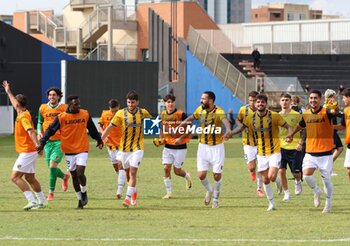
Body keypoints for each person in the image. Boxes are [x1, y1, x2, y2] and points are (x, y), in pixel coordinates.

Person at [37, 95, 103, 209]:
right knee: (73, 175)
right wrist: (42, 143)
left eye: (79, 104)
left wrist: (99, 139)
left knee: (80, 173)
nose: (78, 106)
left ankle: (84, 192)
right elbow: (50, 131)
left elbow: (92, 128)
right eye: (75, 104)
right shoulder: (62, 117)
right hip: (68, 150)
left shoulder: (85, 114)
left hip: (82, 148)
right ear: (69, 105)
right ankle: (79, 200)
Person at [232, 94, 292, 211]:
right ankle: (271, 203)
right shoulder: (250, 118)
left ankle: (277, 181)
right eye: (258, 102)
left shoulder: (274, 116)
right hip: (261, 153)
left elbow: (288, 126)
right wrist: (230, 133)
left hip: (274, 151)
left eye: (262, 102)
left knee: (271, 176)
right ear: (255, 104)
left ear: (266, 104)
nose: (260, 104)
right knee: (265, 179)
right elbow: (241, 128)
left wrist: (290, 134)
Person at [178, 91, 231, 209]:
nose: (201, 100)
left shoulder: (219, 111)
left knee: (217, 175)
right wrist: (181, 124)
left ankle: (216, 200)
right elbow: (192, 117)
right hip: (203, 147)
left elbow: (225, 121)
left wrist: (228, 130)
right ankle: (209, 190)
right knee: (201, 175)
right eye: (201, 98)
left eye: (203, 99)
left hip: (217, 147)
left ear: (211, 100)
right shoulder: (200, 109)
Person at [287, 90, 335, 213]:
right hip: (310, 151)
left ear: (320, 100)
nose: (313, 100)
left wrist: (334, 109)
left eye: (315, 98)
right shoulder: (306, 113)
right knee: (307, 175)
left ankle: (328, 203)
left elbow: (335, 114)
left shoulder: (327, 112)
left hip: (326, 153)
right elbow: (300, 125)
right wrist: (291, 134)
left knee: (327, 180)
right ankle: (316, 191)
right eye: (311, 98)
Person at [101, 90, 152, 208]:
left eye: (133, 102)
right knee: (127, 173)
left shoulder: (143, 112)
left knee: (133, 172)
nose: (130, 105)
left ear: (137, 102)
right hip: (123, 148)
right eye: (129, 102)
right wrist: (101, 139)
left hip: (138, 147)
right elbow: (109, 127)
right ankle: (133, 193)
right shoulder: (120, 113)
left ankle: (127, 199)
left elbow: (154, 123)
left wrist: (159, 137)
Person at [2, 80, 47, 210]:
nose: (14, 104)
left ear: (18, 105)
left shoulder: (23, 117)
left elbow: (30, 131)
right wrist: (8, 91)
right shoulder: (22, 112)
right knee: (30, 178)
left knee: (15, 177)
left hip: (27, 151)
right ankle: (42, 201)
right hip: (29, 150)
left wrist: (38, 146)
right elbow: (14, 102)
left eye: (15, 103)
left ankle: (31, 201)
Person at [155, 94, 192, 199]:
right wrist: (161, 139)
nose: (170, 104)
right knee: (166, 168)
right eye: (168, 102)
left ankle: (187, 176)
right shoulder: (162, 114)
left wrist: (180, 138)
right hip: (167, 147)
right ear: (164, 103)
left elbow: (190, 129)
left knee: (177, 171)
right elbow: (162, 128)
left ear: (174, 103)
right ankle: (169, 193)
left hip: (180, 147)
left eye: (172, 102)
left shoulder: (181, 114)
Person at [37, 87, 70, 201]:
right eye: (50, 95)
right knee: (51, 168)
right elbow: (40, 122)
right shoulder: (43, 107)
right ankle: (65, 177)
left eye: (54, 95)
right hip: (47, 142)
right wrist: (39, 132)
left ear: (58, 96)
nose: (52, 97)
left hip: (59, 141)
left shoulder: (64, 108)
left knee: (52, 166)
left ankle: (51, 192)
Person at [235, 91, 264, 197]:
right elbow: (237, 120)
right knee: (252, 167)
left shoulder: (263, 110)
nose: (252, 103)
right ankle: (252, 171)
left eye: (254, 100)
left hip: (261, 142)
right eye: (250, 100)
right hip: (248, 143)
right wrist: (243, 127)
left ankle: (259, 188)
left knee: (261, 166)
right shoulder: (243, 109)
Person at [98, 99, 126, 199]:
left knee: (120, 165)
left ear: (119, 107)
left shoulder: (123, 114)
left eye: (116, 110)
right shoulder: (105, 114)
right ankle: (123, 178)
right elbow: (100, 126)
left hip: (122, 144)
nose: (114, 113)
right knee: (116, 167)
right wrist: (103, 135)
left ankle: (119, 190)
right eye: (112, 111)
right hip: (110, 145)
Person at [278, 93, 303, 201]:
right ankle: (286, 193)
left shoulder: (296, 115)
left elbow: (304, 131)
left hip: (294, 147)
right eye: (283, 100)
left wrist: (300, 143)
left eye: (287, 100)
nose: (284, 102)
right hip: (281, 148)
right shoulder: (276, 116)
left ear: (290, 102)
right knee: (281, 171)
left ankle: (298, 181)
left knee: (295, 173)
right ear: (280, 102)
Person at [324, 89, 343, 176]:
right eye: (333, 96)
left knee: (338, 148)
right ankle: (327, 169)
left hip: (333, 130)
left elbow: (338, 113)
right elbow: (334, 113)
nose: (334, 98)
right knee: (334, 149)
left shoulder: (331, 105)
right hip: (330, 131)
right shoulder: (326, 106)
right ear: (329, 97)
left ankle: (328, 168)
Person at [335, 88, 350, 180]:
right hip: (349, 144)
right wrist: (330, 126)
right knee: (349, 170)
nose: (343, 100)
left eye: (344, 98)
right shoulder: (346, 110)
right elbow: (342, 126)